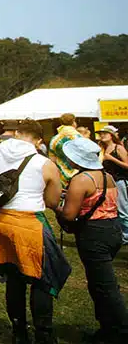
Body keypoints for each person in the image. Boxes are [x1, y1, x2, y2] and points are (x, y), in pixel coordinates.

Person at [0, 120, 69, 344]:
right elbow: (52, 201)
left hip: (1, 221)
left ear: (16, 133)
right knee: (42, 280)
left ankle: (19, 332)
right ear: (39, 140)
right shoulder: (44, 162)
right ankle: (43, 334)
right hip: (30, 223)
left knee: (14, 279)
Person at [56, 136, 128, 343]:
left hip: (94, 234)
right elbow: (97, 199)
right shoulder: (107, 176)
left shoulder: (81, 180)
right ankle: (107, 328)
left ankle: (120, 330)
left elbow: (69, 214)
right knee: (100, 283)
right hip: (112, 229)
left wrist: (55, 206)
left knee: (105, 285)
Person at [96, 125, 128, 245]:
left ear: (111, 135)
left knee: (123, 209)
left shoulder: (118, 148)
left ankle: (126, 236)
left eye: (105, 133)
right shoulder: (102, 149)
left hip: (119, 181)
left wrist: (112, 159)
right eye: (101, 133)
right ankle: (121, 234)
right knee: (113, 209)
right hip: (108, 183)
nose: (102, 135)